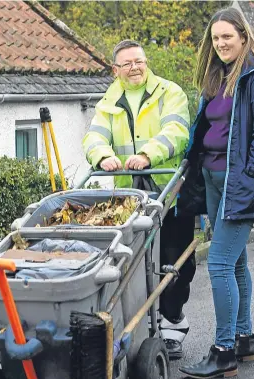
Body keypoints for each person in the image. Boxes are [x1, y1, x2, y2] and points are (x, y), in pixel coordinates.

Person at [178, 7, 254, 379]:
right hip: (211, 179)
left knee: (221, 263)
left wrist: (247, 178)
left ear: (243, 36)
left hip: (239, 183)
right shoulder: (217, 75)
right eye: (215, 38)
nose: (221, 43)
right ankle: (244, 340)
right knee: (237, 261)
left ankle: (223, 349)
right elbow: (204, 126)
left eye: (227, 36)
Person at [82, 39, 196, 359]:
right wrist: (103, 155)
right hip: (130, 200)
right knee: (133, 268)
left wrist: (148, 154)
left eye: (140, 61)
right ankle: (138, 326)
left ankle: (173, 325)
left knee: (174, 264)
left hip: (168, 191)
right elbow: (94, 136)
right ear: (115, 70)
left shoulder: (168, 92)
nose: (135, 68)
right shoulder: (109, 101)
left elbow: (176, 131)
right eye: (128, 63)